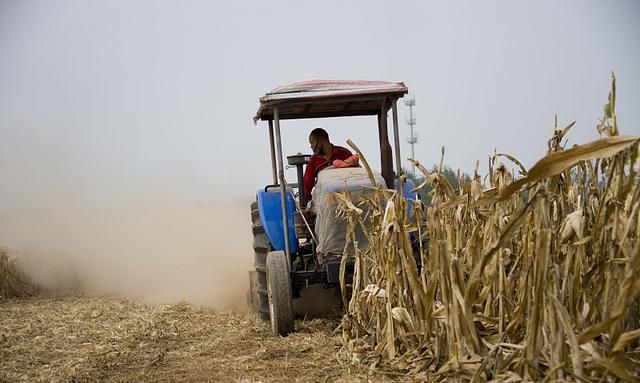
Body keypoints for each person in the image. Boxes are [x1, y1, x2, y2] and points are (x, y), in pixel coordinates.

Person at [303, 127, 352, 203]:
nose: (311, 146)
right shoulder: (313, 160)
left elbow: (356, 175)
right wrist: (305, 201)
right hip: (323, 201)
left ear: (320, 141)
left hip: (345, 198)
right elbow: (307, 184)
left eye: (312, 142)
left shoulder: (345, 154)